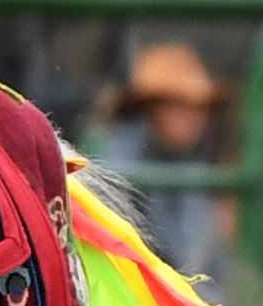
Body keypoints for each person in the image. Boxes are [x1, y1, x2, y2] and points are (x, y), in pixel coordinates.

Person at [92, 41, 228, 262]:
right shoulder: (120, 163)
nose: (196, 117)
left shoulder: (191, 162)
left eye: (201, 107)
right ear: (153, 107)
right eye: (183, 105)